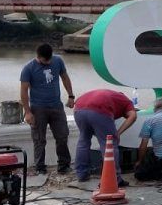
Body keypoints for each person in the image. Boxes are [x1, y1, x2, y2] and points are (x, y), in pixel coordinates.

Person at [19, 43, 76, 175]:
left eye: (50, 59)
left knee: (62, 136)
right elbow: (23, 91)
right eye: (46, 60)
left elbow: (65, 77)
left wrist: (71, 95)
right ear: (38, 57)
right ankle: (40, 167)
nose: (49, 62)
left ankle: (64, 165)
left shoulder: (58, 61)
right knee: (39, 139)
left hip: (56, 106)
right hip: (38, 108)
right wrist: (27, 112)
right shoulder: (28, 68)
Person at [73, 88, 137, 184]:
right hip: (99, 108)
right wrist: (118, 133)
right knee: (109, 143)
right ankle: (115, 179)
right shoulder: (127, 102)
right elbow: (133, 116)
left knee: (84, 140)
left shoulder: (112, 96)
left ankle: (82, 174)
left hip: (79, 109)